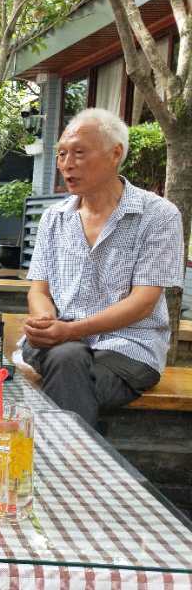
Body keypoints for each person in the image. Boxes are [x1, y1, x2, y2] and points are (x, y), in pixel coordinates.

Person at [22, 108, 185, 425]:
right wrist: (44, 320)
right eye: (62, 154)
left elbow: (143, 303)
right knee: (68, 359)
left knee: (67, 364)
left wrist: (71, 331)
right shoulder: (54, 218)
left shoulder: (158, 216)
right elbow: (39, 290)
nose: (66, 164)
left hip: (129, 348)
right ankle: (72, 454)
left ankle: (58, 450)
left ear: (115, 154)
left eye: (79, 153)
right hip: (59, 342)